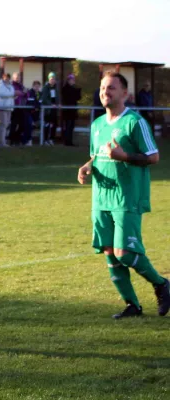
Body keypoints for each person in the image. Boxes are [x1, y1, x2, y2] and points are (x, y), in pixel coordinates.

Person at [77, 71, 170, 319]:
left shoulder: (135, 122)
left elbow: (153, 157)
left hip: (127, 196)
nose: (105, 92)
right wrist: (87, 166)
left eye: (111, 88)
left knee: (125, 253)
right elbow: (97, 155)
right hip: (101, 197)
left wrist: (125, 156)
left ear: (125, 93)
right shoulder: (96, 125)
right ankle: (132, 305)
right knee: (109, 251)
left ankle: (161, 284)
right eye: (102, 88)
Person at [61, 74, 82, 146]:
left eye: (73, 80)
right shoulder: (65, 89)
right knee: (68, 126)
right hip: (67, 111)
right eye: (72, 80)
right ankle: (67, 141)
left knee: (71, 126)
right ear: (68, 80)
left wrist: (78, 91)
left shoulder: (73, 89)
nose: (73, 81)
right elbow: (67, 98)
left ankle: (69, 141)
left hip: (72, 111)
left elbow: (78, 98)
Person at [0, 73, 14, 147]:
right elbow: (2, 94)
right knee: (3, 124)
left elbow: (11, 94)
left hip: (9, 108)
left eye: (8, 78)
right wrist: (11, 94)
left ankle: (1, 139)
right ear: (3, 78)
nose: (7, 79)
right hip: (2, 107)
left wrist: (12, 94)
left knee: (6, 124)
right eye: (5, 78)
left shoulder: (10, 86)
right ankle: (2, 142)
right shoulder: (0, 86)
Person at [41, 72, 59, 146]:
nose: (53, 80)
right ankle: (45, 139)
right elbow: (44, 98)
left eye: (54, 79)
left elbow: (57, 98)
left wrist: (58, 104)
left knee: (53, 124)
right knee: (47, 124)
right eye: (51, 79)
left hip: (54, 109)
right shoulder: (45, 88)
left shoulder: (56, 88)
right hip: (47, 110)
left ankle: (51, 139)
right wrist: (50, 104)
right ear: (49, 79)